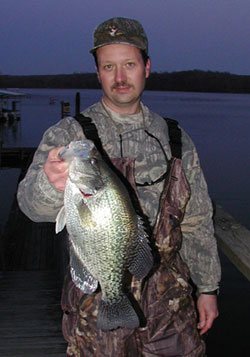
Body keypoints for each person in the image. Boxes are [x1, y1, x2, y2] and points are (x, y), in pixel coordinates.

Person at [17, 17, 221, 356]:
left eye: (129, 64)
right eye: (108, 66)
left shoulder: (177, 140)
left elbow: (197, 220)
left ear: (147, 67)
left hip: (171, 305)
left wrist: (209, 288)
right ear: (98, 73)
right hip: (95, 305)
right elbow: (30, 206)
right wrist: (50, 186)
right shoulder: (68, 136)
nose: (120, 77)